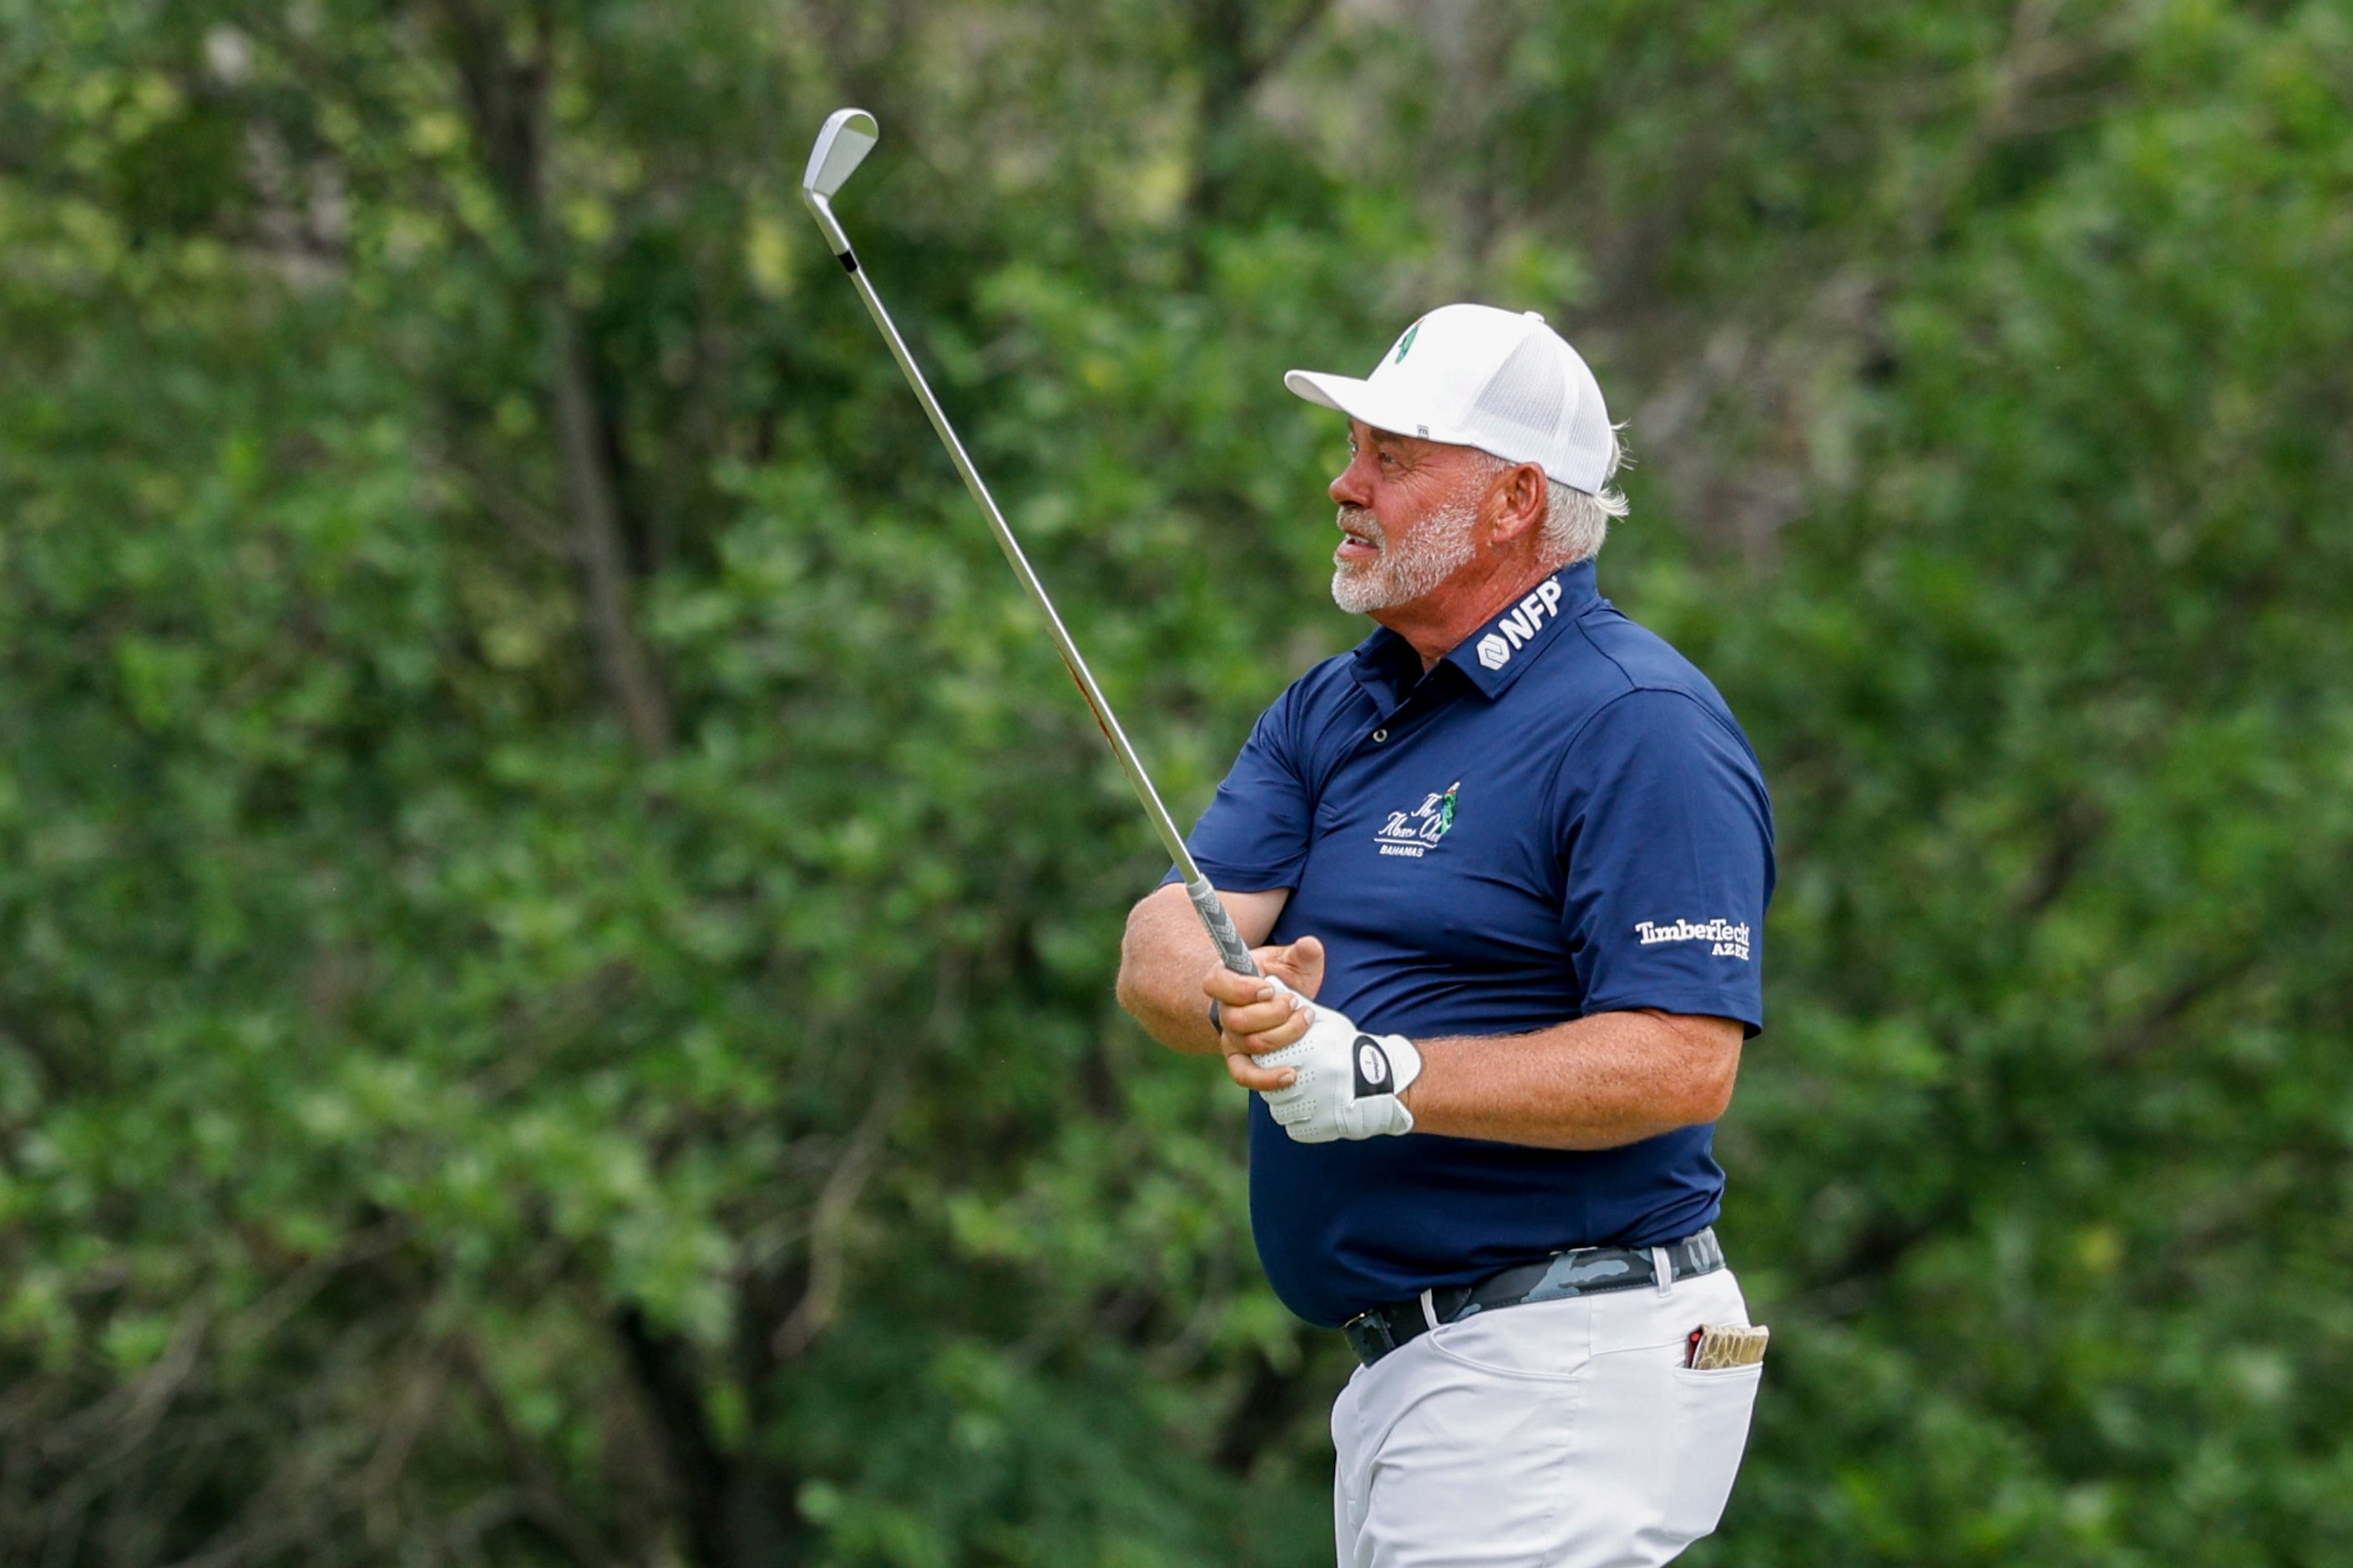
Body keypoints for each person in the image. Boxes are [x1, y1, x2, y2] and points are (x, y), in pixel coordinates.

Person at [1115, 303, 1777, 1568]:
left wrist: (1385, 1075)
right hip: (1428, 1371)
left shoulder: (1640, 723)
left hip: (1563, 1355)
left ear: (1515, 499)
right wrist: (1234, 999)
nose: (1342, 482)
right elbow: (1164, 934)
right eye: (1355, 447)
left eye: (1392, 458)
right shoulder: (1342, 697)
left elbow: (1683, 1061)